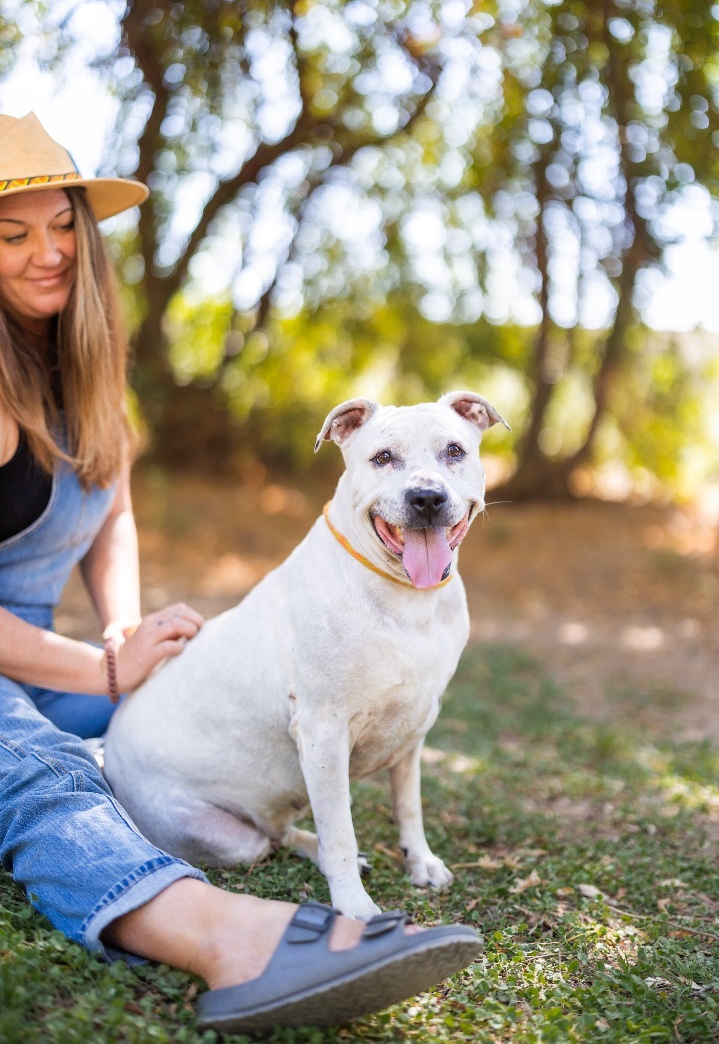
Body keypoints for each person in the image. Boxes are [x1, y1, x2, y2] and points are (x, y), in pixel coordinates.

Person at [0, 111, 483, 1033]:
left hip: (41, 649)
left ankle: (125, 777)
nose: (49, 252)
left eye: (66, 226)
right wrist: (102, 674)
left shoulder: (89, 368)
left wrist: (122, 630)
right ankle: (228, 937)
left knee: (192, 706)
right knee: (39, 771)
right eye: (14, 234)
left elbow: (114, 510)